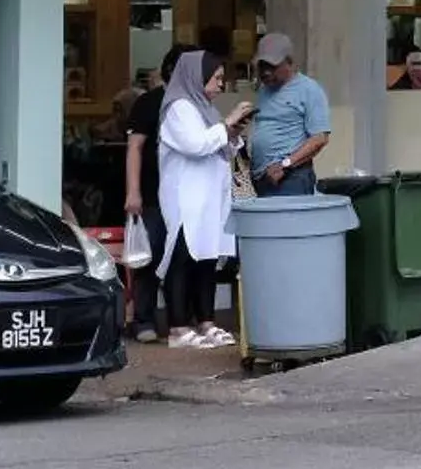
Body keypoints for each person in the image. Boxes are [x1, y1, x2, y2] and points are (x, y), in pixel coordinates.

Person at [157, 50, 251, 349]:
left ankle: (206, 322)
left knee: (206, 258)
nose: (221, 85)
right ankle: (178, 328)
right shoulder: (179, 108)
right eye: (217, 78)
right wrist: (227, 125)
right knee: (182, 257)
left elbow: (220, 147)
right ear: (198, 76)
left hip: (208, 199)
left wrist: (233, 133)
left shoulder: (204, 109)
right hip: (186, 197)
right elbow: (196, 144)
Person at [120, 49, 179, 341]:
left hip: (181, 198)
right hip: (151, 195)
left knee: (179, 257)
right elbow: (135, 147)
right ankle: (143, 320)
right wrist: (133, 192)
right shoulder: (149, 102)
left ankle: (178, 320)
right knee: (149, 256)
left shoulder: (194, 104)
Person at [248, 33, 332, 196]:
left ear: (289, 62)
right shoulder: (264, 91)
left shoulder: (308, 90)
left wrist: (286, 165)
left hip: (290, 178)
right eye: (262, 66)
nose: (265, 72)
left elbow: (320, 138)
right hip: (262, 178)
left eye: (272, 66)